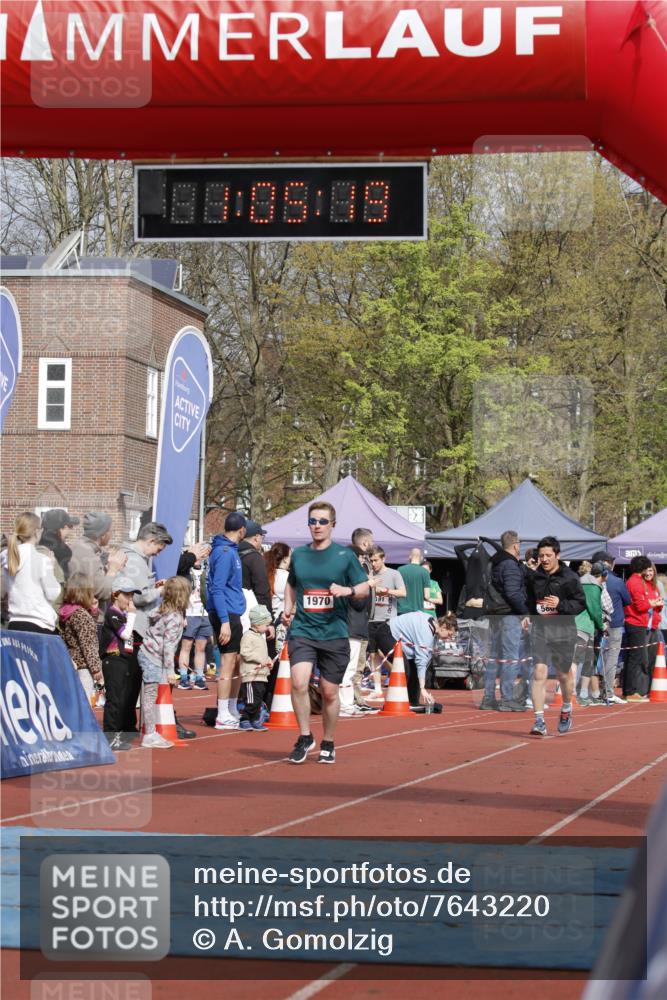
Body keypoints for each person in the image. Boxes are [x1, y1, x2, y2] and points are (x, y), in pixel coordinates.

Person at [282, 502, 369, 764]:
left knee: (329, 692)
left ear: (333, 525)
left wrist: (348, 591)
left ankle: (328, 741)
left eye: (322, 521)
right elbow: (292, 583)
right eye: (313, 521)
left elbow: (364, 587)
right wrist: (288, 607)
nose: (317, 526)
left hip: (334, 632)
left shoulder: (345, 556)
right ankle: (305, 736)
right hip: (303, 630)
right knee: (298, 682)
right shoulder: (299, 555)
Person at [527, 536, 586, 737]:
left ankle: (567, 708)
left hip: (563, 631)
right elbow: (528, 600)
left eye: (548, 555)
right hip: (541, 630)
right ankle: (539, 720)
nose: (544, 559)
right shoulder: (535, 577)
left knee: (563, 675)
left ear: (558, 555)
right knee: (539, 672)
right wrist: (527, 615)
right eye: (541, 555)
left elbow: (580, 604)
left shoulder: (570, 577)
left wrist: (559, 605)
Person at [480, 531, 531, 712]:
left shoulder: (496, 562)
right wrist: (525, 611)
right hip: (509, 614)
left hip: (496, 613)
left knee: (495, 657)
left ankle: (488, 698)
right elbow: (512, 593)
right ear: (516, 545)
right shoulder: (510, 565)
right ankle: (507, 698)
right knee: (510, 657)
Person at [138, 575, 191, 749]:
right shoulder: (174, 618)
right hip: (154, 657)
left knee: (149, 694)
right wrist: (170, 672)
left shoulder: (163, 610)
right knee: (150, 695)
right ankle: (149, 734)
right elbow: (168, 646)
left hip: (148, 651)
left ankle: (150, 731)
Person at [207, 512, 248, 730]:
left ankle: (231, 708)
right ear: (241, 530)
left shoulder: (230, 551)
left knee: (236, 661)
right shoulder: (224, 553)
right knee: (228, 662)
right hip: (226, 613)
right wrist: (223, 620)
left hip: (232, 611)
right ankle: (222, 713)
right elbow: (217, 588)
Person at [372, 611, 454, 707]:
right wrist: (423, 689)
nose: (449, 638)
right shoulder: (426, 632)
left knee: (413, 669)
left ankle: (413, 702)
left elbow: (425, 658)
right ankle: (394, 703)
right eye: (449, 635)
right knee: (403, 667)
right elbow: (421, 661)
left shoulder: (432, 624)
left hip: (397, 637)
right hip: (386, 633)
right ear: (443, 627)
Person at [100, 574, 141, 751]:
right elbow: (124, 634)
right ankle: (110, 736)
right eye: (126, 595)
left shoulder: (122, 614)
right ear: (116, 594)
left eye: (132, 595)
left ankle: (116, 735)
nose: (130, 599)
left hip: (123, 659)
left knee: (122, 698)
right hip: (113, 659)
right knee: (114, 699)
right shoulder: (113, 613)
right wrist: (132, 616)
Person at [1, 512, 60, 633]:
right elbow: (53, 593)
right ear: (36, 531)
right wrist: (51, 566)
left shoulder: (8, 557)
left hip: (14, 623)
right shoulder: (41, 559)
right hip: (39, 625)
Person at [366, 545, 407, 700]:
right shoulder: (369, 575)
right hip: (371, 619)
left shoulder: (394, 574)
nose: (374, 563)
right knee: (373, 655)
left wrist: (387, 591)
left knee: (390, 654)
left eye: (376, 560)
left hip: (388, 621)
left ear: (384, 559)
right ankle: (377, 689)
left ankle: (401, 681)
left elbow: (403, 593)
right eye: (371, 561)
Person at [591, 550, 631, 704]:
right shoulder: (616, 581)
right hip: (613, 624)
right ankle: (608, 692)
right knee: (611, 658)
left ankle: (593, 692)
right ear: (607, 564)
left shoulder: (587, 580)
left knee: (594, 658)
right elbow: (627, 600)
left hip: (595, 623)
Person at [58, 572, 104, 703]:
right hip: (84, 666)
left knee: (72, 702)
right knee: (84, 703)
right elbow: (88, 643)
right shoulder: (82, 615)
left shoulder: (66, 612)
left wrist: (93, 612)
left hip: (70, 662)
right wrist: (96, 668)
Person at [68, 512, 127, 612]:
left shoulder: (78, 547)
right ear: (103, 534)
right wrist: (113, 569)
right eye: (110, 530)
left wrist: (106, 565)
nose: (112, 533)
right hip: (86, 618)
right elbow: (103, 592)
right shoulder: (87, 553)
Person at [623, 555, 662, 701]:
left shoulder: (634, 581)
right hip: (636, 622)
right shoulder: (636, 582)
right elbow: (641, 606)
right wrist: (653, 603)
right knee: (636, 658)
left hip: (637, 622)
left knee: (633, 657)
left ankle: (629, 690)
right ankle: (631, 691)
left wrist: (651, 602)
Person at [177, 542, 213, 691]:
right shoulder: (185, 570)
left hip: (203, 613)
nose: (202, 555)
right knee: (186, 646)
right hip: (190, 613)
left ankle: (199, 677)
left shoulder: (207, 570)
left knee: (201, 648)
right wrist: (182, 614)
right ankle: (184, 677)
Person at [238, 605, 274, 731]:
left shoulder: (260, 637)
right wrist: (261, 660)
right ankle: (245, 719)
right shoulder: (248, 636)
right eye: (266, 625)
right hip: (251, 676)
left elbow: (264, 654)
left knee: (258, 700)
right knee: (251, 700)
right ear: (257, 624)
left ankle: (254, 719)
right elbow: (245, 653)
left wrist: (269, 661)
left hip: (261, 676)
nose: (267, 627)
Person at [239, 519, 273, 617]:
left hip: (232, 609)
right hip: (251, 612)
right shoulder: (254, 557)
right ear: (256, 538)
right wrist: (267, 616)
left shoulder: (231, 553)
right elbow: (262, 589)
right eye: (262, 537)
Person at [40, 508, 79, 582]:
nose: (71, 530)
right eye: (70, 526)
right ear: (60, 528)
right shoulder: (61, 553)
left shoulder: (37, 545)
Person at [397, 548, 430, 614]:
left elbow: (396, 591)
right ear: (421, 558)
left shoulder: (400, 570)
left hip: (402, 610)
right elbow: (427, 596)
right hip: (418, 611)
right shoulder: (425, 572)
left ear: (410, 556)